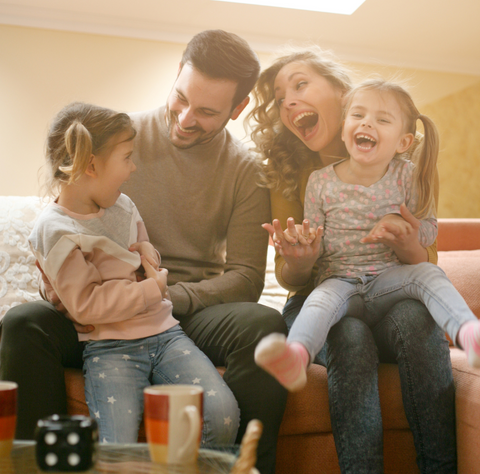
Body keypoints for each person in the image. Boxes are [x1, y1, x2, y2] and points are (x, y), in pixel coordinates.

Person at [0, 30, 287, 474]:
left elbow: (247, 277)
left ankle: (240, 468)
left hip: (186, 310)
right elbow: (66, 223)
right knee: (21, 323)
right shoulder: (114, 140)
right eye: (181, 98)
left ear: (238, 109)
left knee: (265, 324)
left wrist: (164, 293)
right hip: (102, 311)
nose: (186, 118)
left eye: (207, 112)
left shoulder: (245, 170)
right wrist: (55, 282)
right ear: (176, 75)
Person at [247, 48, 456, 473]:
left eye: (300, 84)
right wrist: (302, 260)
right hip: (324, 301)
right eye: (279, 96)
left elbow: (426, 257)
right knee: (351, 336)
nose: (287, 101)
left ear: (343, 94)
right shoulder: (291, 173)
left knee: (418, 322)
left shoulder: (404, 166)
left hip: (388, 290)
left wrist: (408, 243)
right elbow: (292, 280)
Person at [28, 101, 240, 445]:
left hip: (165, 335)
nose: (133, 168)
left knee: (221, 414)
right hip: (110, 346)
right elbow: (87, 305)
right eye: (126, 157)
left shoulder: (123, 205)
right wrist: (153, 289)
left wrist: (146, 253)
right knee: (118, 445)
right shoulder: (54, 231)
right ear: (91, 165)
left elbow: (146, 253)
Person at [255, 78, 480, 391]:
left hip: (389, 282)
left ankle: (468, 333)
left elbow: (428, 229)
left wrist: (407, 233)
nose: (367, 123)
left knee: (428, 272)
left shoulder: (407, 176)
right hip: (339, 281)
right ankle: (296, 357)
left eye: (382, 119)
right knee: (317, 301)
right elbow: (315, 238)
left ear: (403, 142)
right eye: (358, 115)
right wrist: (303, 243)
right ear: (345, 127)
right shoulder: (320, 182)